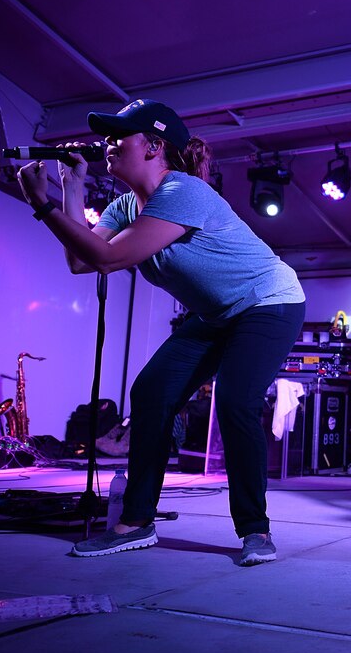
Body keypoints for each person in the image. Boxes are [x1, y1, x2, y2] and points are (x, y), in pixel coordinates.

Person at [15, 99, 305, 565]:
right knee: (151, 392)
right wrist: (71, 186)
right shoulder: (125, 206)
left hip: (268, 302)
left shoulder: (183, 191)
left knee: (236, 401)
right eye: (107, 137)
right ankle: (136, 522)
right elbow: (80, 261)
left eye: (118, 137)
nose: (108, 145)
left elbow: (108, 258)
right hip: (215, 315)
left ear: (153, 146)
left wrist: (40, 203)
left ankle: (255, 530)